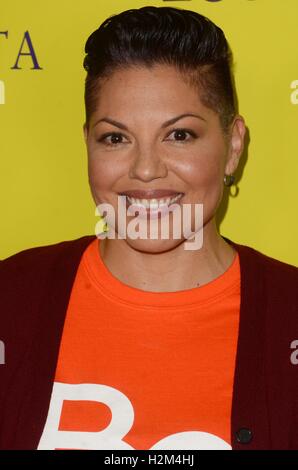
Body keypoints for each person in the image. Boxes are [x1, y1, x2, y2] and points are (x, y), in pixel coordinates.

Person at [0, 6, 297, 451]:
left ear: (233, 146)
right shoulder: (12, 296)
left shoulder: (287, 312)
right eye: (115, 138)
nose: (144, 170)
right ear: (88, 144)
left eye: (179, 135)